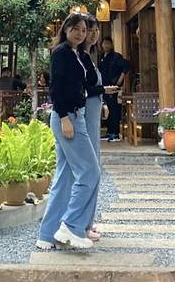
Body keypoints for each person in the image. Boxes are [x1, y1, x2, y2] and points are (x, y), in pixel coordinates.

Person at [36, 13, 100, 251]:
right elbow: (56, 89)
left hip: (76, 116)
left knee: (64, 178)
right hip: (68, 118)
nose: (81, 34)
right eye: (76, 29)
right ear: (66, 29)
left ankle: (47, 235)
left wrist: (86, 52)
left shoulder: (77, 54)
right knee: (90, 172)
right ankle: (71, 225)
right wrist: (64, 118)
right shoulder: (61, 53)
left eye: (84, 30)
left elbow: (89, 82)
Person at [80, 14, 118, 242]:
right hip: (83, 117)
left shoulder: (91, 57)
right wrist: (103, 91)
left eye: (95, 31)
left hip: (93, 116)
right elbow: (81, 89)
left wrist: (102, 100)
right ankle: (81, 224)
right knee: (89, 170)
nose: (93, 35)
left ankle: (87, 221)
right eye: (88, 30)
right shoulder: (79, 57)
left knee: (93, 167)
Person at [99, 37, 129, 142]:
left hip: (113, 87)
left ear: (111, 45)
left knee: (114, 109)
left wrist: (120, 79)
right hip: (104, 87)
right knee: (109, 109)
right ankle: (109, 132)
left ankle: (115, 133)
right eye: (104, 43)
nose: (106, 45)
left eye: (108, 43)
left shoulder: (116, 56)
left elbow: (126, 66)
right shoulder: (102, 57)